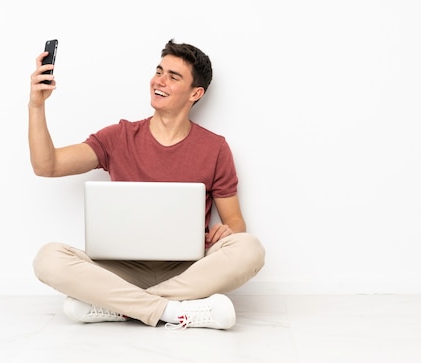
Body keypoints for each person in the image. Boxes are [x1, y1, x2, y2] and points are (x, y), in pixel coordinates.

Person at [29, 39, 265, 330]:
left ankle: (117, 305)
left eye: (173, 76)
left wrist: (228, 231)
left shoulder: (215, 148)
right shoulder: (119, 137)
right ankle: (172, 311)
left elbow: (236, 224)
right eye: (159, 71)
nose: (159, 81)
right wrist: (36, 104)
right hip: (121, 270)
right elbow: (46, 165)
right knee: (48, 258)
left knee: (249, 248)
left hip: (188, 269)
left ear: (196, 93)